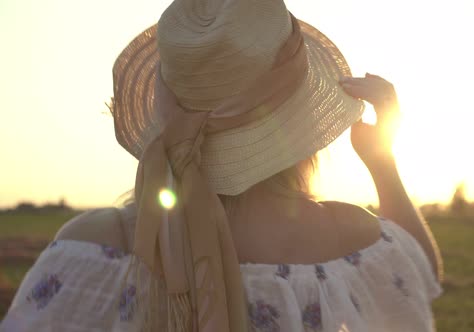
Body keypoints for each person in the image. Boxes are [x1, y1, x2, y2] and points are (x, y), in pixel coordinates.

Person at [1, 0, 443, 330]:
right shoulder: (350, 236)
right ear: (302, 120)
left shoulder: (94, 246)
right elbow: (420, 275)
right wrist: (383, 163)